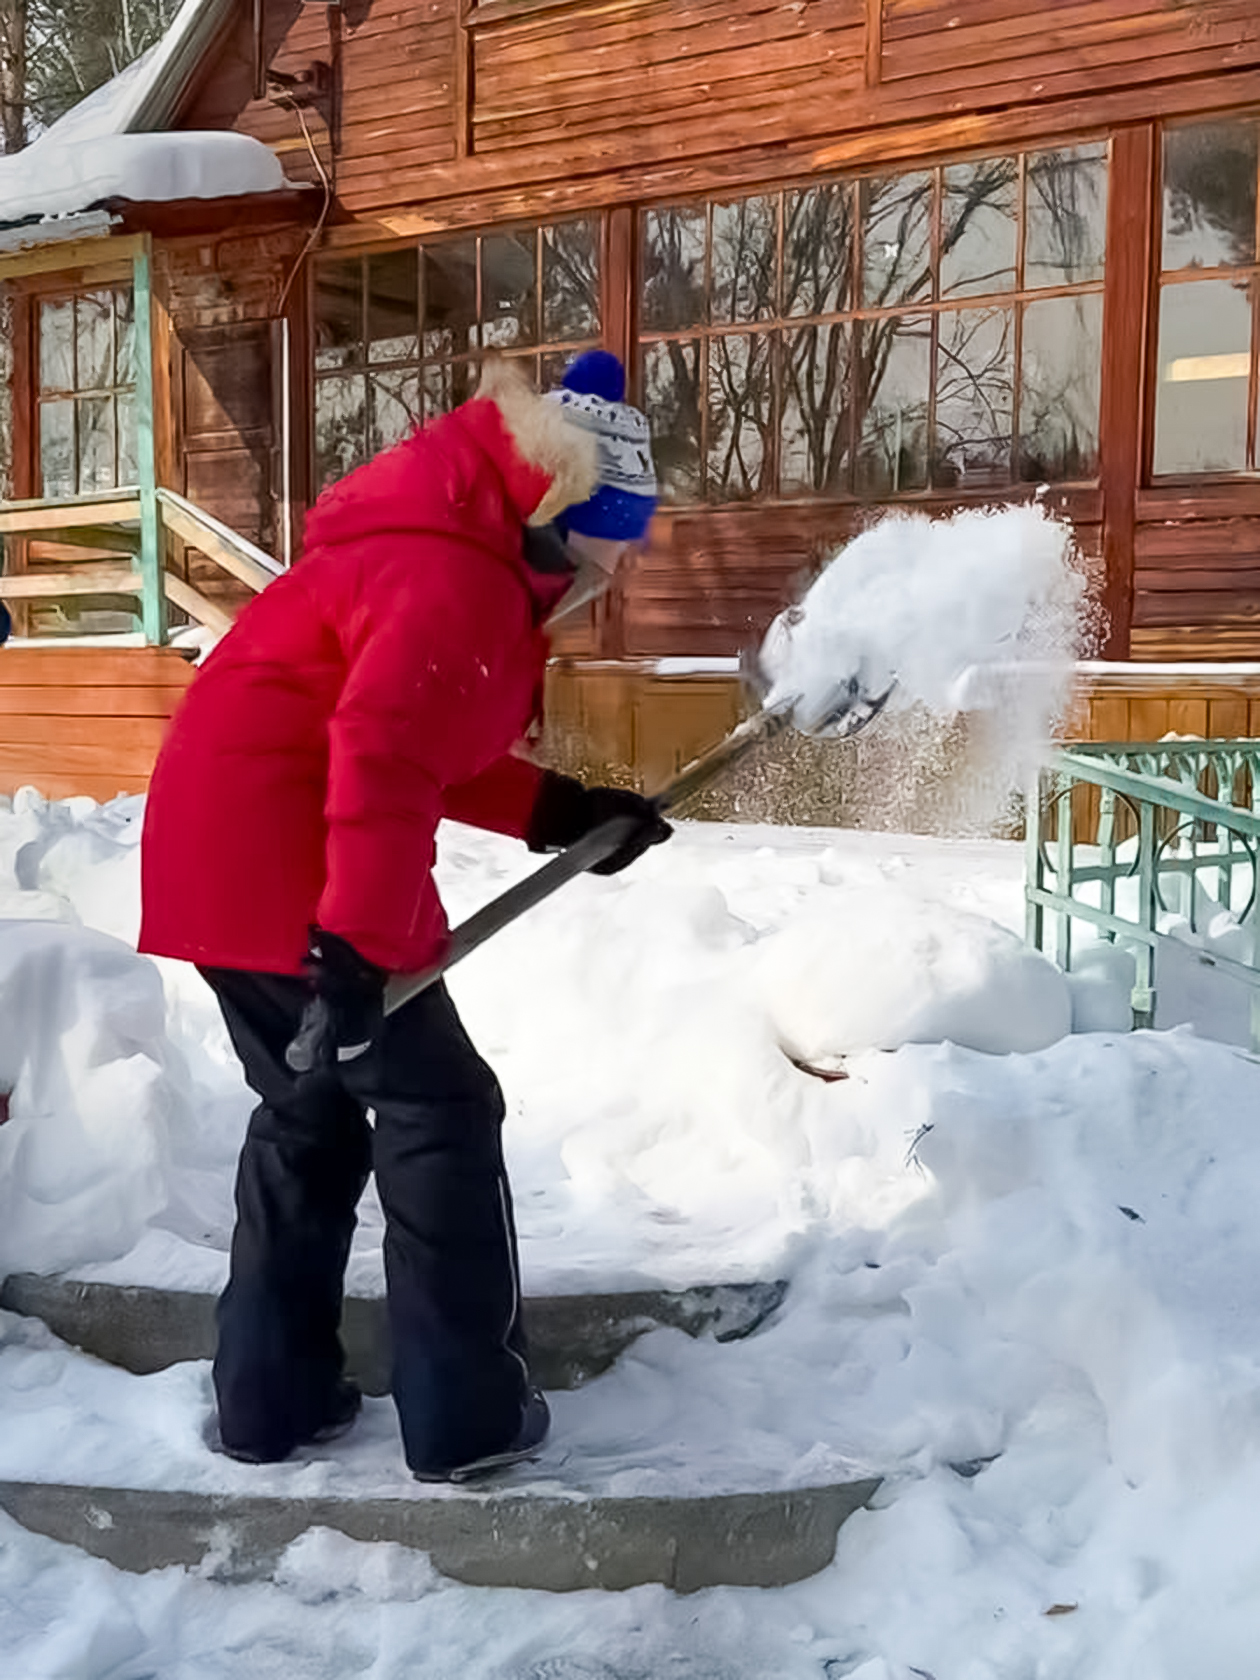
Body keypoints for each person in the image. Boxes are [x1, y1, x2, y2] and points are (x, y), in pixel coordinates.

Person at [138, 350, 671, 1480]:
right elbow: (378, 762)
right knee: (440, 1109)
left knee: (312, 1112)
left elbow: (422, 737)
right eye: (619, 534)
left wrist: (560, 811)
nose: (624, 564)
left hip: (223, 858)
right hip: (287, 862)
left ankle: (270, 1401)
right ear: (565, 510)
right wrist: (355, 950)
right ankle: (466, 1412)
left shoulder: (446, 550)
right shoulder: (456, 578)